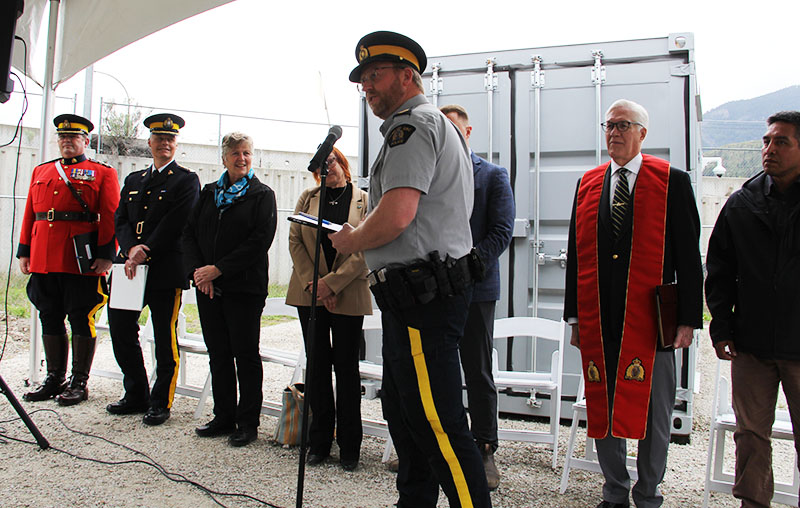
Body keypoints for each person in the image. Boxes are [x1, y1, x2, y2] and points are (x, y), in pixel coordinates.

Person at [330, 31, 491, 508]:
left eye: (374, 75)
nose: (366, 86)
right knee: (407, 416)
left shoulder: (413, 125)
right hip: (415, 298)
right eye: (362, 79)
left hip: (425, 299)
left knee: (437, 422)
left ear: (407, 75)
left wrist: (352, 240)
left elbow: (398, 214)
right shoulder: (422, 125)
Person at [563, 99, 703, 508]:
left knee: (655, 412)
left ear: (643, 133)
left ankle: (648, 492)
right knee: (603, 403)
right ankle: (614, 491)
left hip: (652, 320)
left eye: (623, 125)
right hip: (600, 316)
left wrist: (688, 319)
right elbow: (577, 256)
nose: (614, 133)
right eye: (609, 125)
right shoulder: (589, 184)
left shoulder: (672, 182)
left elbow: (689, 258)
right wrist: (575, 318)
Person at [705, 110, 800, 508]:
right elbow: (720, 270)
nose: (769, 149)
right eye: (766, 141)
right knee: (751, 436)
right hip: (752, 344)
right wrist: (721, 327)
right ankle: (752, 503)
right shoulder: (742, 203)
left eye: (782, 142)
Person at [182, 132, 277, 447]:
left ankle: (247, 423)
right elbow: (189, 234)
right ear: (224, 159)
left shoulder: (262, 195)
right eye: (235, 153)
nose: (241, 158)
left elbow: (259, 241)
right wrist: (199, 273)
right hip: (208, 288)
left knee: (245, 356)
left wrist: (219, 269)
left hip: (244, 289)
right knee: (218, 354)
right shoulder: (209, 193)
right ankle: (223, 416)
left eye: (246, 153)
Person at [18, 114, 120, 406]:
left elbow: (110, 215)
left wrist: (106, 255)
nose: (67, 141)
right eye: (63, 136)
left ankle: (79, 381)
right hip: (44, 256)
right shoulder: (42, 170)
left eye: (74, 137)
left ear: (85, 141)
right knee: (49, 315)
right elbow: (31, 212)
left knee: (80, 317)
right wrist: (25, 250)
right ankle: (54, 378)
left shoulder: (101, 173)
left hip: (79, 259)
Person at [106, 113, 200, 426]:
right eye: (159, 139)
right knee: (120, 327)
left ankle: (161, 401)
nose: (165, 144)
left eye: (170, 139)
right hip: (129, 268)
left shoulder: (186, 180)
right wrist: (130, 248)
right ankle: (136, 392)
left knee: (163, 335)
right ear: (149, 142)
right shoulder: (134, 180)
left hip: (164, 268)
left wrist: (144, 249)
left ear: (176, 144)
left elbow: (178, 222)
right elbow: (120, 218)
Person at [440, 104, 515, 490]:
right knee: (439, 369)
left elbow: (501, 231)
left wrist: (466, 267)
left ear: (468, 133)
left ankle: (484, 448)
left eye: (455, 130)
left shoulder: (493, 175)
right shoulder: (432, 174)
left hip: (476, 290)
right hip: (437, 291)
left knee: (477, 370)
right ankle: (440, 446)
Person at [286, 146, 371, 470]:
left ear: (343, 164)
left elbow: (366, 247)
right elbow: (295, 240)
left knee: (347, 369)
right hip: (310, 292)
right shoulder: (307, 198)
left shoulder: (363, 200)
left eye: (331, 161)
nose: (327, 167)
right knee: (318, 366)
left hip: (348, 291)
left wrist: (332, 285)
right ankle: (319, 441)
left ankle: (350, 447)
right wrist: (317, 286)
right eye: (321, 164)